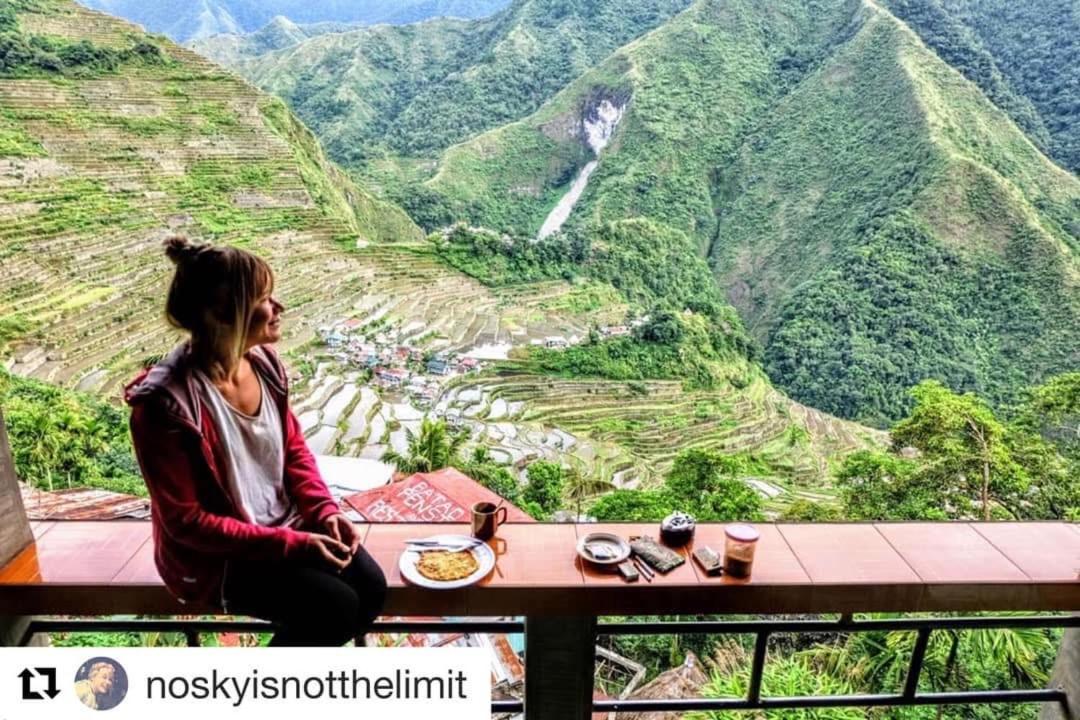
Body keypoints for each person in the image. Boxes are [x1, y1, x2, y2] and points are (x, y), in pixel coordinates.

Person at [125, 236, 387, 646]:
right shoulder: (166, 406)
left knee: (371, 589)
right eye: (264, 298)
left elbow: (293, 449)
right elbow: (187, 523)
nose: (278, 306)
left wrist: (324, 511)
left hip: (286, 526)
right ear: (222, 313)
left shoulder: (265, 365)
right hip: (220, 558)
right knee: (333, 608)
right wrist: (294, 545)